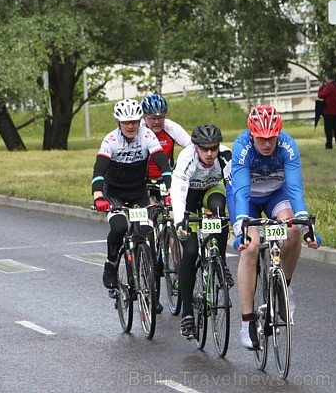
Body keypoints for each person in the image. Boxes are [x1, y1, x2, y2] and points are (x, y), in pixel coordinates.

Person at [229, 105, 318, 351]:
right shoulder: (242, 148)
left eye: (272, 138)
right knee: (251, 247)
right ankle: (247, 321)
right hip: (245, 198)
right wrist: (242, 228)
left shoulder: (288, 146)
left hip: (275, 194)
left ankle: (282, 288)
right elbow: (241, 193)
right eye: (261, 138)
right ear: (251, 134)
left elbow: (295, 190)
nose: (267, 144)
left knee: (292, 230)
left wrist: (305, 223)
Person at [91, 99, 173, 292]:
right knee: (119, 227)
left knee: (146, 234)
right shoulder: (110, 140)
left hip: (138, 193)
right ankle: (111, 265)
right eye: (126, 122)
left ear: (139, 121)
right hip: (113, 193)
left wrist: (170, 191)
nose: (130, 126)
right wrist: (98, 196)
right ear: (118, 122)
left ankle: (149, 290)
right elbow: (99, 171)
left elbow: (164, 165)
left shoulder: (147, 135)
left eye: (134, 122)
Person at [170, 124, 233, 340]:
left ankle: (220, 262)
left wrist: (237, 218)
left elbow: (233, 188)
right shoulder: (187, 157)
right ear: (196, 147)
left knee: (220, 208)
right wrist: (180, 222)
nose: (209, 154)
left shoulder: (225, 156)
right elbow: (177, 193)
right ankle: (187, 312)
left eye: (213, 148)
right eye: (204, 149)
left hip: (210, 192)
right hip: (188, 199)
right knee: (190, 252)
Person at [141, 94, 191, 199]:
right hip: (141, 178)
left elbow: (192, 147)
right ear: (144, 117)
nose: (157, 122)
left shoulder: (171, 127)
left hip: (165, 177)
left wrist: (182, 164)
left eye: (161, 117)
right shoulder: (139, 129)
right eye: (152, 118)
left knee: (171, 209)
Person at [317, 72, 336, 149]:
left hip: (329, 111)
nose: (325, 80)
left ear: (329, 79)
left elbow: (320, 95)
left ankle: (329, 145)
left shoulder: (329, 87)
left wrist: (321, 87)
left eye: (326, 78)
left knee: (328, 129)